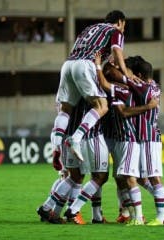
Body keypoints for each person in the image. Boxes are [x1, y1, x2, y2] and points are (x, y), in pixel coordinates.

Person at [51, 10, 138, 164]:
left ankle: (56, 145)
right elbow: (117, 50)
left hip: (68, 64)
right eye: (123, 26)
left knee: (66, 109)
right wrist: (125, 72)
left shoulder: (89, 29)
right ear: (119, 22)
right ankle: (75, 139)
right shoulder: (115, 31)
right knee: (102, 105)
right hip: (85, 64)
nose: (123, 29)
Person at [114, 56, 164, 225]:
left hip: (148, 137)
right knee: (143, 178)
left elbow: (118, 77)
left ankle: (160, 218)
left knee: (153, 176)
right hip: (144, 137)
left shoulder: (143, 87)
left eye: (132, 74)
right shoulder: (155, 86)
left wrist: (109, 65)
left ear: (138, 75)